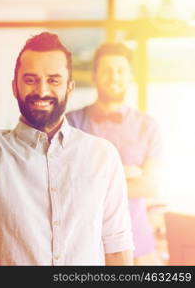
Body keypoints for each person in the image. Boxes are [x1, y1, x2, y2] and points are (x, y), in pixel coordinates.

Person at [0, 32, 134, 265]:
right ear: (15, 87)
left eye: (53, 80)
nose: (42, 91)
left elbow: (116, 246)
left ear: (69, 87)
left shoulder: (102, 155)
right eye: (31, 80)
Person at [67, 43, 163, 265]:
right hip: (85, 243)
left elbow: (150, 186)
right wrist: (128, 175)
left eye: (121, 71)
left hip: (139, 242)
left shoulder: (148, 126)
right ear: (94, 75)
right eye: (107, 70)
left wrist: (96, 181)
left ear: (130, 76)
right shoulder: (71, 123)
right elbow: (69, 186)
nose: (114, 77)